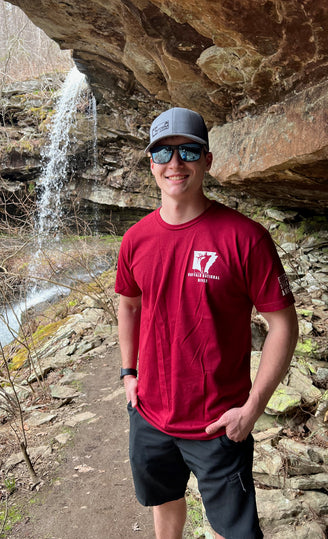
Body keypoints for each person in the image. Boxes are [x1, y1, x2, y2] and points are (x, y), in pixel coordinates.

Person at [115, 107, 298, 539]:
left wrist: (252, 409)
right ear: (151, 163)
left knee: (229, 530)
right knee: (164, 503)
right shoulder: (136, 238)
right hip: (150, 415)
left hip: (219, 424)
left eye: (188, 151)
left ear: (208, 160)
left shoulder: (245, 237)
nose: (174, 164)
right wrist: (128, 373)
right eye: (163, 152)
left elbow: (283, 326)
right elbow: (128, 305)